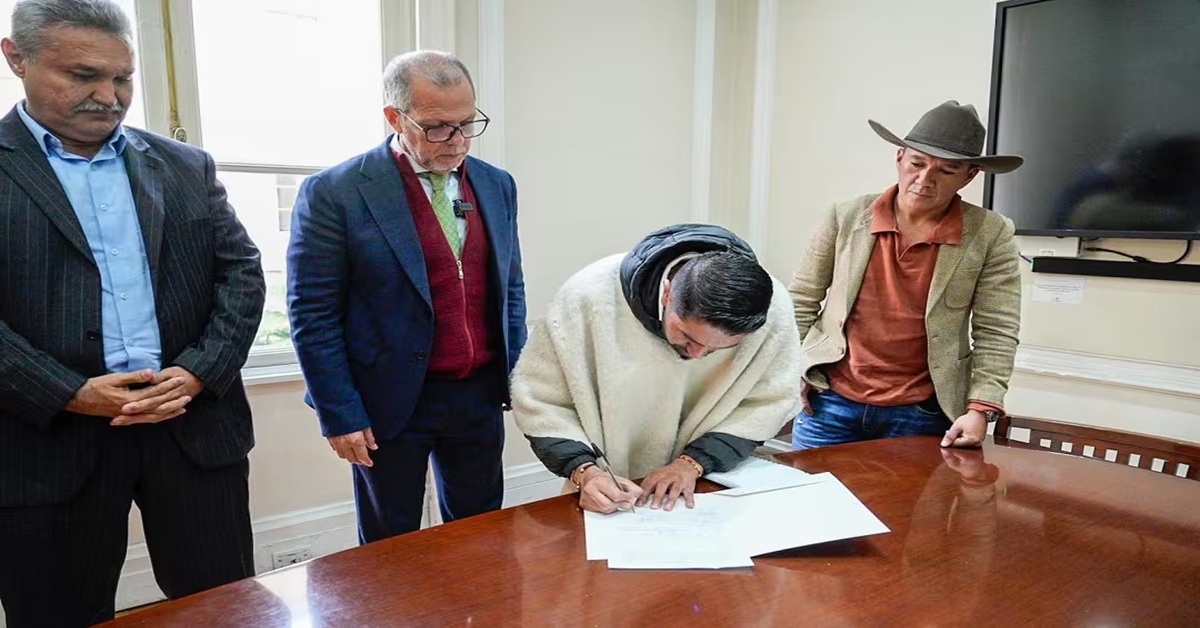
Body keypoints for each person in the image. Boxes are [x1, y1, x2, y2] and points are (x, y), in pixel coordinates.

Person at [0, 0, 266, 625]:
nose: (108, 95)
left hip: (191, 427)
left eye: (121, 78)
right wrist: (68, 392)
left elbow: (241, 273)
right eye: (82, 75)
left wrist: (200, 370)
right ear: (16, 58)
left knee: (223, 609)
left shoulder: (183, 164)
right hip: (47, 443)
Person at [287, 50, 526, 543]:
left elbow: (511, 289)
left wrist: (518, 375)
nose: (457, 141)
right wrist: (339, 412)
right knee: (388, 545)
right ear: (395, 117)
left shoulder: (496, 185)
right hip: (386, 402)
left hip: (477, 396)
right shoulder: (336, 192)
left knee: (481, 536)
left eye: (467, 123)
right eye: (438, 127)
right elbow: (313, 314)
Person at [512, 224, 803, 514]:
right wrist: (584, 471)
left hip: (708, 485)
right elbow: (540, 399)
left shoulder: (773, 309)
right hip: (606, 494)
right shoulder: (588, 296)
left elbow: (769, 400)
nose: (697, 355)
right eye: (688, 337)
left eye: (718, 350)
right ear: (667, 294)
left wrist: (692, 463)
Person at [788, 100, 1023, 451]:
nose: (925, 180)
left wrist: (981, 407)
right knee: (810, 503)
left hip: (923, 413)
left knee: (905, 508)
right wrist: (792, 371)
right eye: (917, 163)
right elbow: (801, 300)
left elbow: (997, 328)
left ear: (969, 175)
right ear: (900, 158)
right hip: (830, 403)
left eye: (946, 170)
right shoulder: (845, 216)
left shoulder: (991, 233)